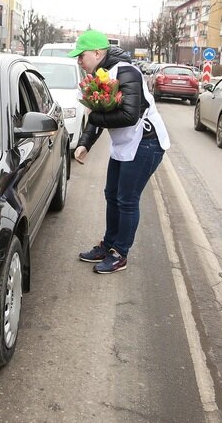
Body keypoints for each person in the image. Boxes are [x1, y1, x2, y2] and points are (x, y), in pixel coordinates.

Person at [70, 29, 170, 274]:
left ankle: (120, 254)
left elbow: (128, 114)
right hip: (125, 144)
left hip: (146, 143)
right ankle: (108, 244)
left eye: (81, 56)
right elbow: (99, 110)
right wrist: (85, 143)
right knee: (111, 194)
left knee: (127, 200)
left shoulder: (127, 72)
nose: (79, 61)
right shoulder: (102, 74)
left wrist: (93, 115)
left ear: (96, 53)